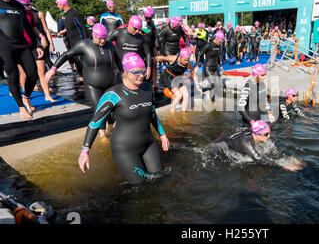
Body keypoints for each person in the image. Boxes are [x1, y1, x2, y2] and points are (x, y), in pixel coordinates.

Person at [77, 52, 170, 185]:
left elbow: (152, 113)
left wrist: (162, 134)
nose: (142, 75)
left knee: (159, 179)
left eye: (143, 71)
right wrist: (85, 151)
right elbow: (94, 123)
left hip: (148, 144)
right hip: (125, 150)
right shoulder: (113, 94)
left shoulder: (147, 88)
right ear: (126, 72)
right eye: (137, 72)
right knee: (141, 186)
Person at [46, 23, 123, 141]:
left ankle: (110, 130)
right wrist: (53, 69)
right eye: (99, 38)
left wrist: (124, 74)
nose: (102, 41)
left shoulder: (109, 46)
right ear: (93, 35)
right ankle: (102, 135)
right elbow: (66, 55)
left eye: (104, 38)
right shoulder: (84, 45)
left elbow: (118, 60)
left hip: (110, 83)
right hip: (93, 85)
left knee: (112, 111)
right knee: (100, 110)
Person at [0, 0, 45, 119]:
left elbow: (28, 27)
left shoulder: (18, 6)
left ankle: (26, 96)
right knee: (13, 76)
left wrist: (37, 44)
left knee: (33, 74)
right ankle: (21, 106)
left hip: (22, 45)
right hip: (4, 46)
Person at [215, 120, 304, 171]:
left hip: (229, 138)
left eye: (269, 133)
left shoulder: (253, 135)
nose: (268, 136)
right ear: (257, 134)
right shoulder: (245, 142)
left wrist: (287, 159)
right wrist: (283, 165)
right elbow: (259, 159)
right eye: (266, 134)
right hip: (219, 145)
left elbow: (271, 152)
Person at [16, 0, 56, 103]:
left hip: (35, 44)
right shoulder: (16, 13)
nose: (29, 5)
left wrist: (46, 39)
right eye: (27, 4)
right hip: (21, 46)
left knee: (41, 70)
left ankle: (47, 94)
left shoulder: (36, 14)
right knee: (24, 72)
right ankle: (25, 96)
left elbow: (38, 29)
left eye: (30, 3)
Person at [154, 48, 202, 112]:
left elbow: (194, 75)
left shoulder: (188, 64)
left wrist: (197, 86)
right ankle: (172, 111)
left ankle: (183, 112)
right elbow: (161, 57)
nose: (187, 62)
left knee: (186, 95)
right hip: (169, 77)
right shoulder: (173, 59)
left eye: (188, 60)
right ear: (180, 57)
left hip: (178, 78)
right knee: (178, 95)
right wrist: (151, 59)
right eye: (185, 60)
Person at [107, 15, 152, 81]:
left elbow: (148, 54)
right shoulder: (118, 32)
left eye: (139, 29)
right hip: (120, 69)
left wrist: (148, 68)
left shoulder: (141, 37)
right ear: (129, 25)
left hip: (134, 71)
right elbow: (105, 43)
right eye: (135, 28)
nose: (137, 31)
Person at [56, 0, 87, 81]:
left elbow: (82, 27)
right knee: (76, 61)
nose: (58, 6)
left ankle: (87, 79)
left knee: (82, 61)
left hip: (79, 41)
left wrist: (85, 41)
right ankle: (81, 79)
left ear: (62, 4)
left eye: (58, 4)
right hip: (72, 42)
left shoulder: (74, 12)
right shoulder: (65, 15)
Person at [197, 30, 225, 103]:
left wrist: (221, 66)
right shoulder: (209, 45)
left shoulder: (219, 46)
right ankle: (213, 101)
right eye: (220, 41)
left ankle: (209, 86)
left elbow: (218, 56)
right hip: (208, 68)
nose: (221, 43)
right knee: (213, 84)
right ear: (216, 39)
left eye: (222, 41)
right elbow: (200, 54)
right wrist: (197, 65)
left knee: (218, 83)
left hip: (215, 68)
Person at [140, 6, 159, 88]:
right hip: (140, 49)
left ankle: (153, 85)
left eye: (150, 18)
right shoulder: (138, 22)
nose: (148, 19)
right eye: (147, 18)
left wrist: (157, 48)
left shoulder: (151, 22)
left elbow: (155, 36)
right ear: (143, 14)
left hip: (150, 48)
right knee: (141, 68)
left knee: (152, 66)